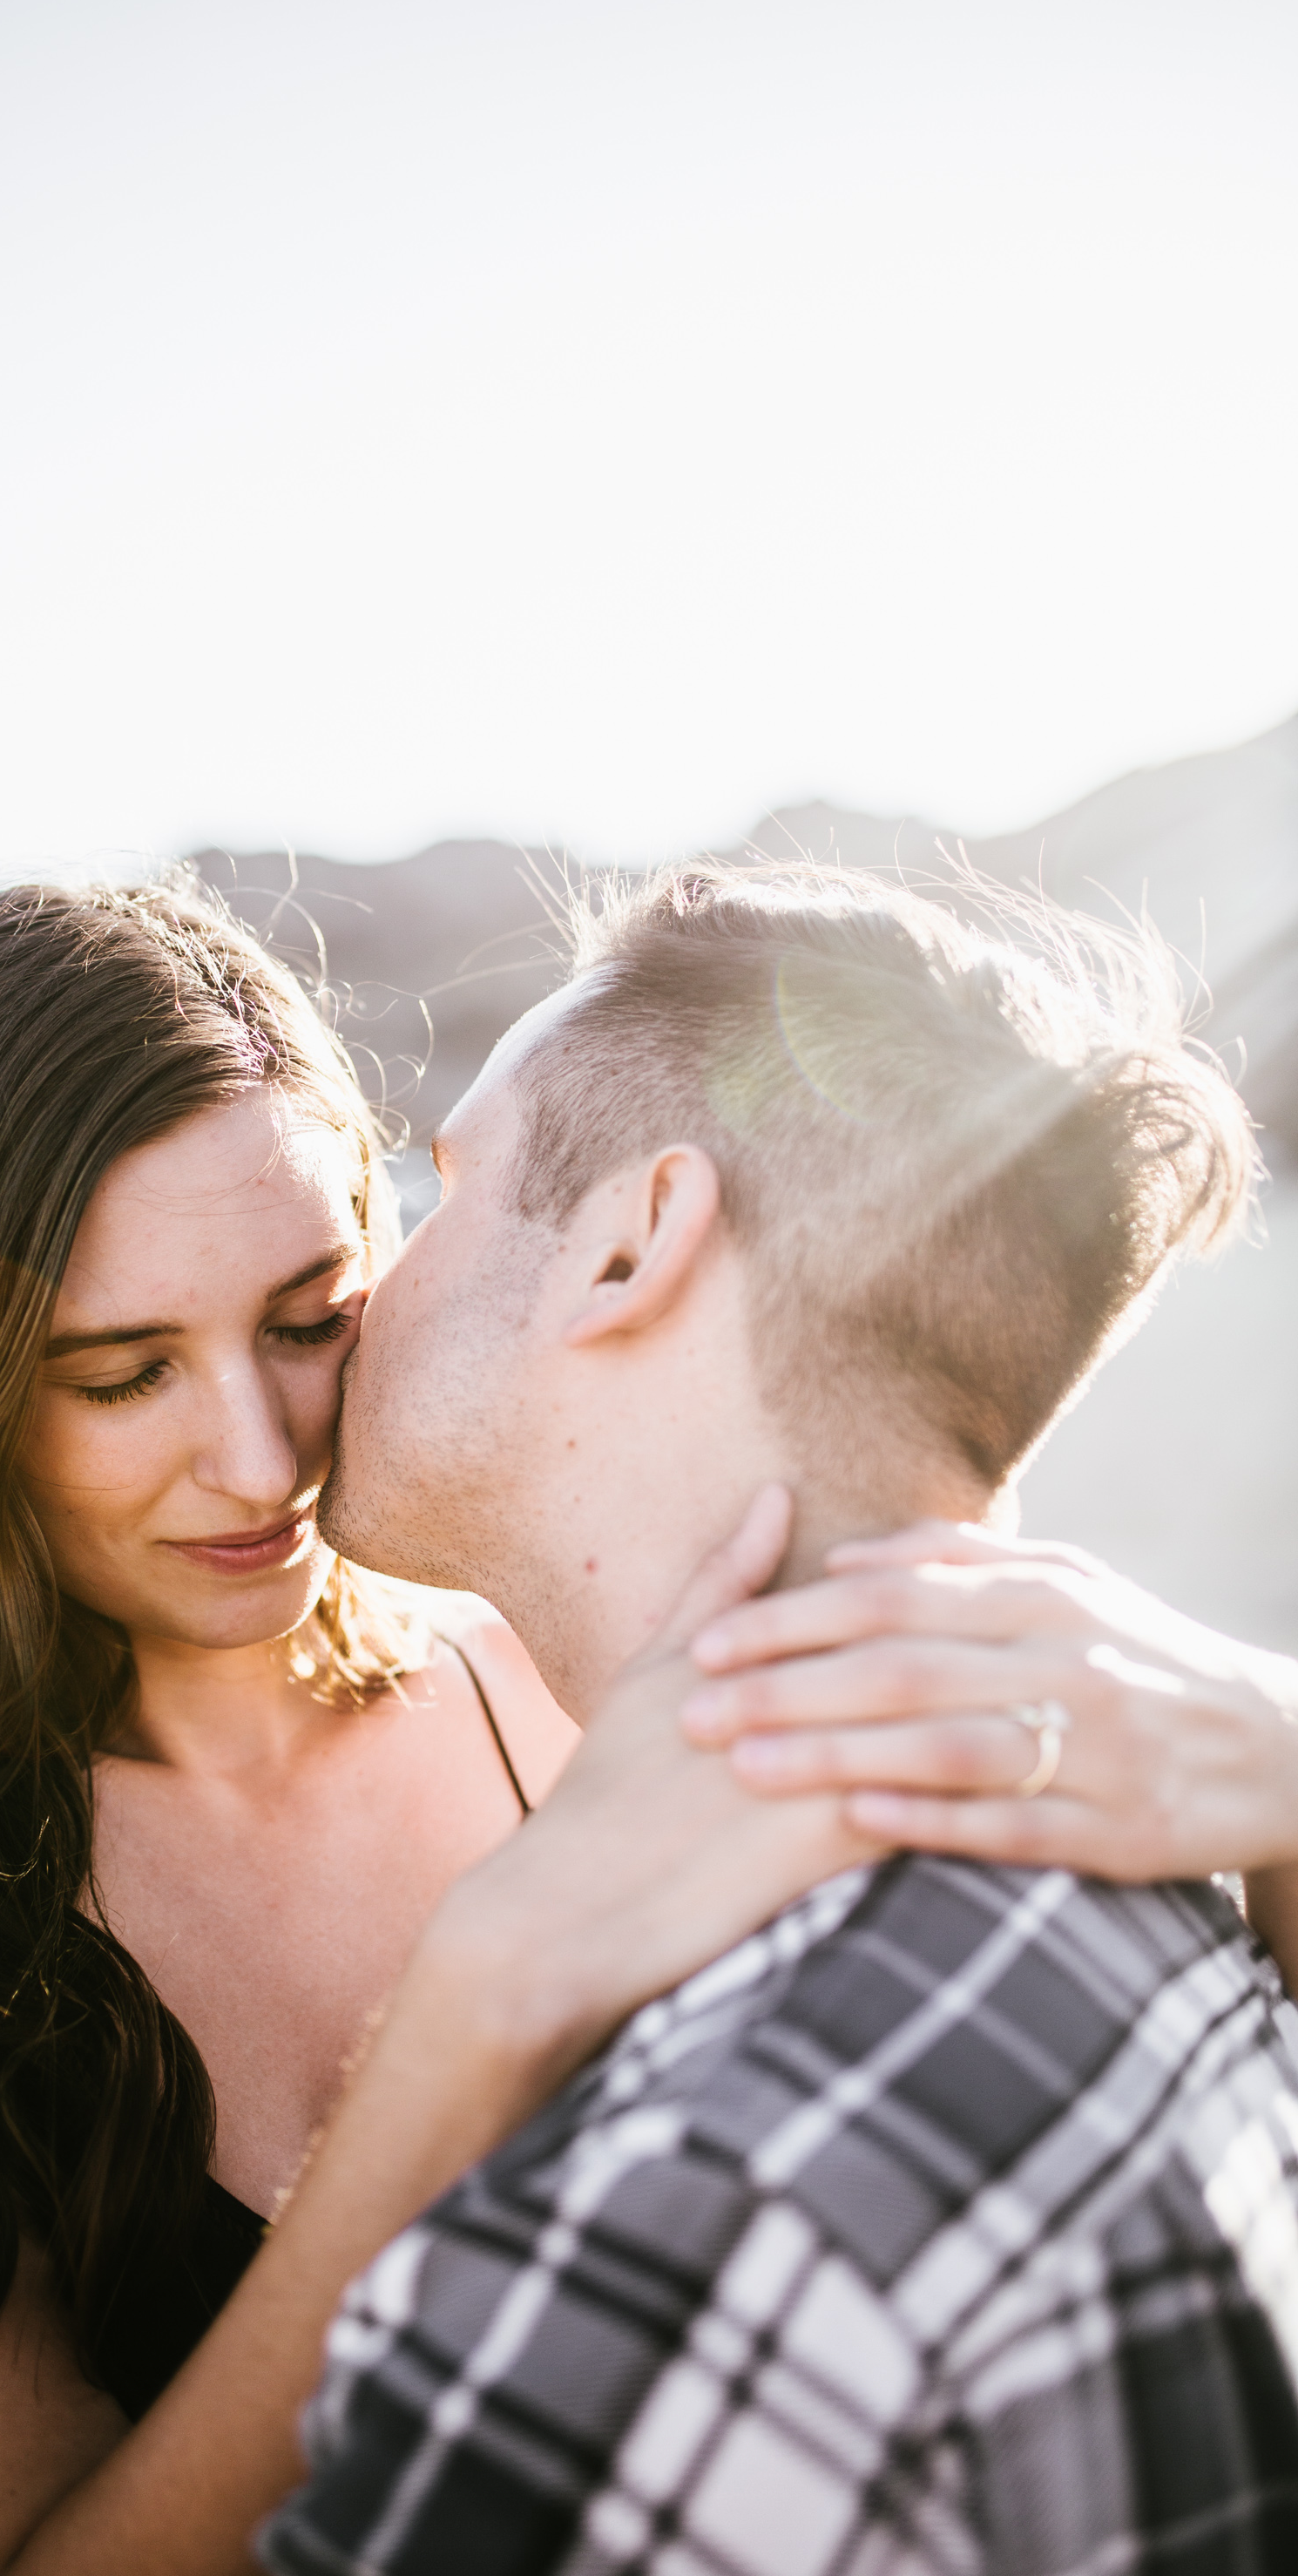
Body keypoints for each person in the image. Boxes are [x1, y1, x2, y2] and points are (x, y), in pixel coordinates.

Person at [0, 878, 1298, 2576]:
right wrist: (470, 2005)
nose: (268, 1464)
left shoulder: (558, 1692)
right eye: (120, 1375)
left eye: (311, 1317)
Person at [264, 863, 1298, 2575]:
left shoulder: (703, 2204)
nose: (375, 1288)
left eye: (440, 1194)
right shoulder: (1201, 1905)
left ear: (628, 1245)